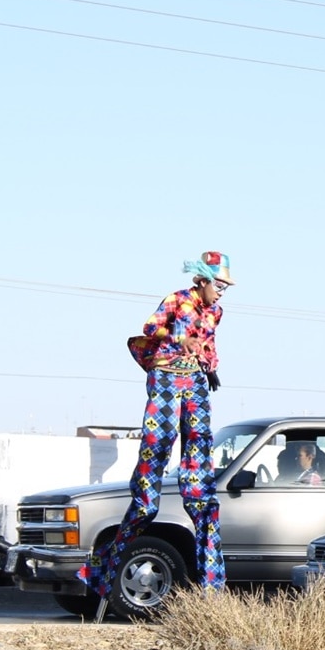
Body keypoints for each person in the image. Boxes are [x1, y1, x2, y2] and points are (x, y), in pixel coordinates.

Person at [77, 251, 234, 617]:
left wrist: (208, 365)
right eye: (220, 284)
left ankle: (213, 596)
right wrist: (181, 339)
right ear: (203, 280)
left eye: (226, 285)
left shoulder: (216, 312)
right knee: (153, 467)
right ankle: (102, 574)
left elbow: (208, 342)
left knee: (202, 492)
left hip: (194, 381)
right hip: (165, 377)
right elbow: (151, 328)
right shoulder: (176, 300)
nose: (223, 291)